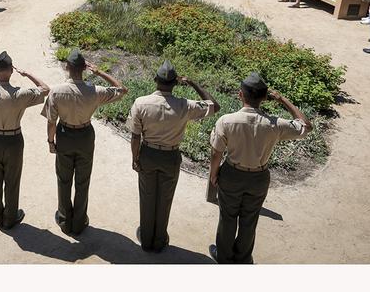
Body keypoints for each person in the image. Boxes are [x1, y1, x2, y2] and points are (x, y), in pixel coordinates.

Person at [208, 73, 312, 264]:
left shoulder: (227, 121)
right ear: (265, 97)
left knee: (227, 217)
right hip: (259, 177)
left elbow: (216, 153)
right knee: (250, 220)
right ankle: (243, 258)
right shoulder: (275, 124)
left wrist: (214, 174)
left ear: (240, 95)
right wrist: (283, 100)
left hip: (232, 173)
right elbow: (306, 126)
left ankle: (223, 256)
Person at [127, 61, 220, 252]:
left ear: (155, 80)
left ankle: (146, 239)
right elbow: (214, 106)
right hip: (171, 156)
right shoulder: (185, 105)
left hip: (148, 153)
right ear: (175, 83)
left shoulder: (141, 102)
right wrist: (193, 83)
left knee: (147, 196)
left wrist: (135, 157)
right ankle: (160, 240)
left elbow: (135, 136)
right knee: (165, 198)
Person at [41, 50, 128, 236]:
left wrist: (51, 141)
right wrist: (99, 72)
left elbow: (51, 122)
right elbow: (122, 90)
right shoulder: (94, 91)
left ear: (67, 68)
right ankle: (79, 222)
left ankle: (64, 219)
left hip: (64, 134)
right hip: (85, 136)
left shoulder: (56, 91)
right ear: (84, 69)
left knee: (64, 179)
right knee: (83, 180)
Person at [0, 51, 50, 230]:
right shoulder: (20, 94)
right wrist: (28, 73)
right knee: (12, 180)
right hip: (14, 140)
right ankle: (10, 218)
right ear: (11, 71)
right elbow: (45, 89)